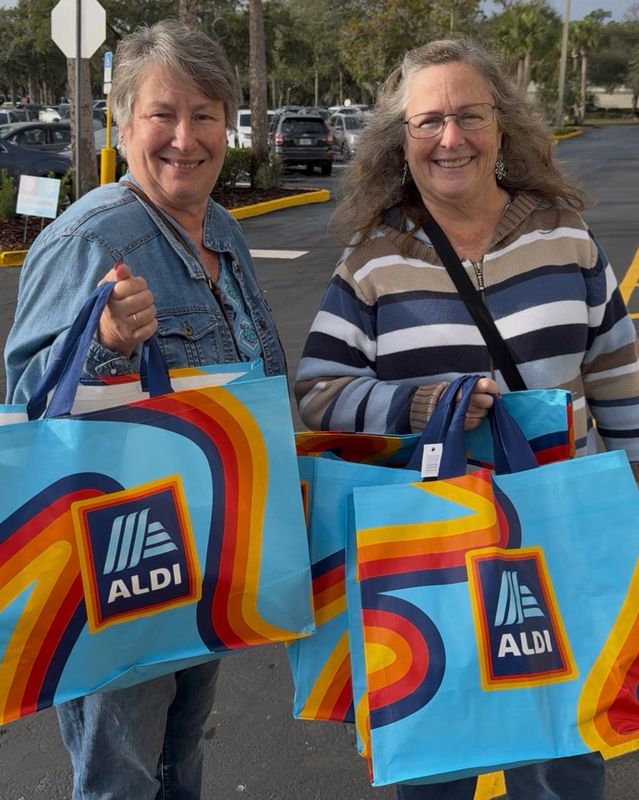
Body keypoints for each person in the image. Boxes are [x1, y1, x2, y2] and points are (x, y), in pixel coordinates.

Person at [294, 37, 639, 800]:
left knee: (558, 756)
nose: (449, 139)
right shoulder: (375, 261)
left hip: (558, 547)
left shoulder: (566, 238)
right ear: (399, 141)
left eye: (468, 116)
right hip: (432, 556)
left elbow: (617, 375)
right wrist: (411, 405)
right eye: (427, 122)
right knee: (438, 756)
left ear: (502, 126)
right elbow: (318, 389)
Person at [5, 19, 285, 800]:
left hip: (209, 551)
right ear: (122, 123)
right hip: (120, 560)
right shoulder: (94, 238)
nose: (185, 138)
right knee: (120, 772)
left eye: (205, 114)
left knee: (179, 752)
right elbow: (30, 399)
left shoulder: (222, 230)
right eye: (163, 113)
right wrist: (103, 343)